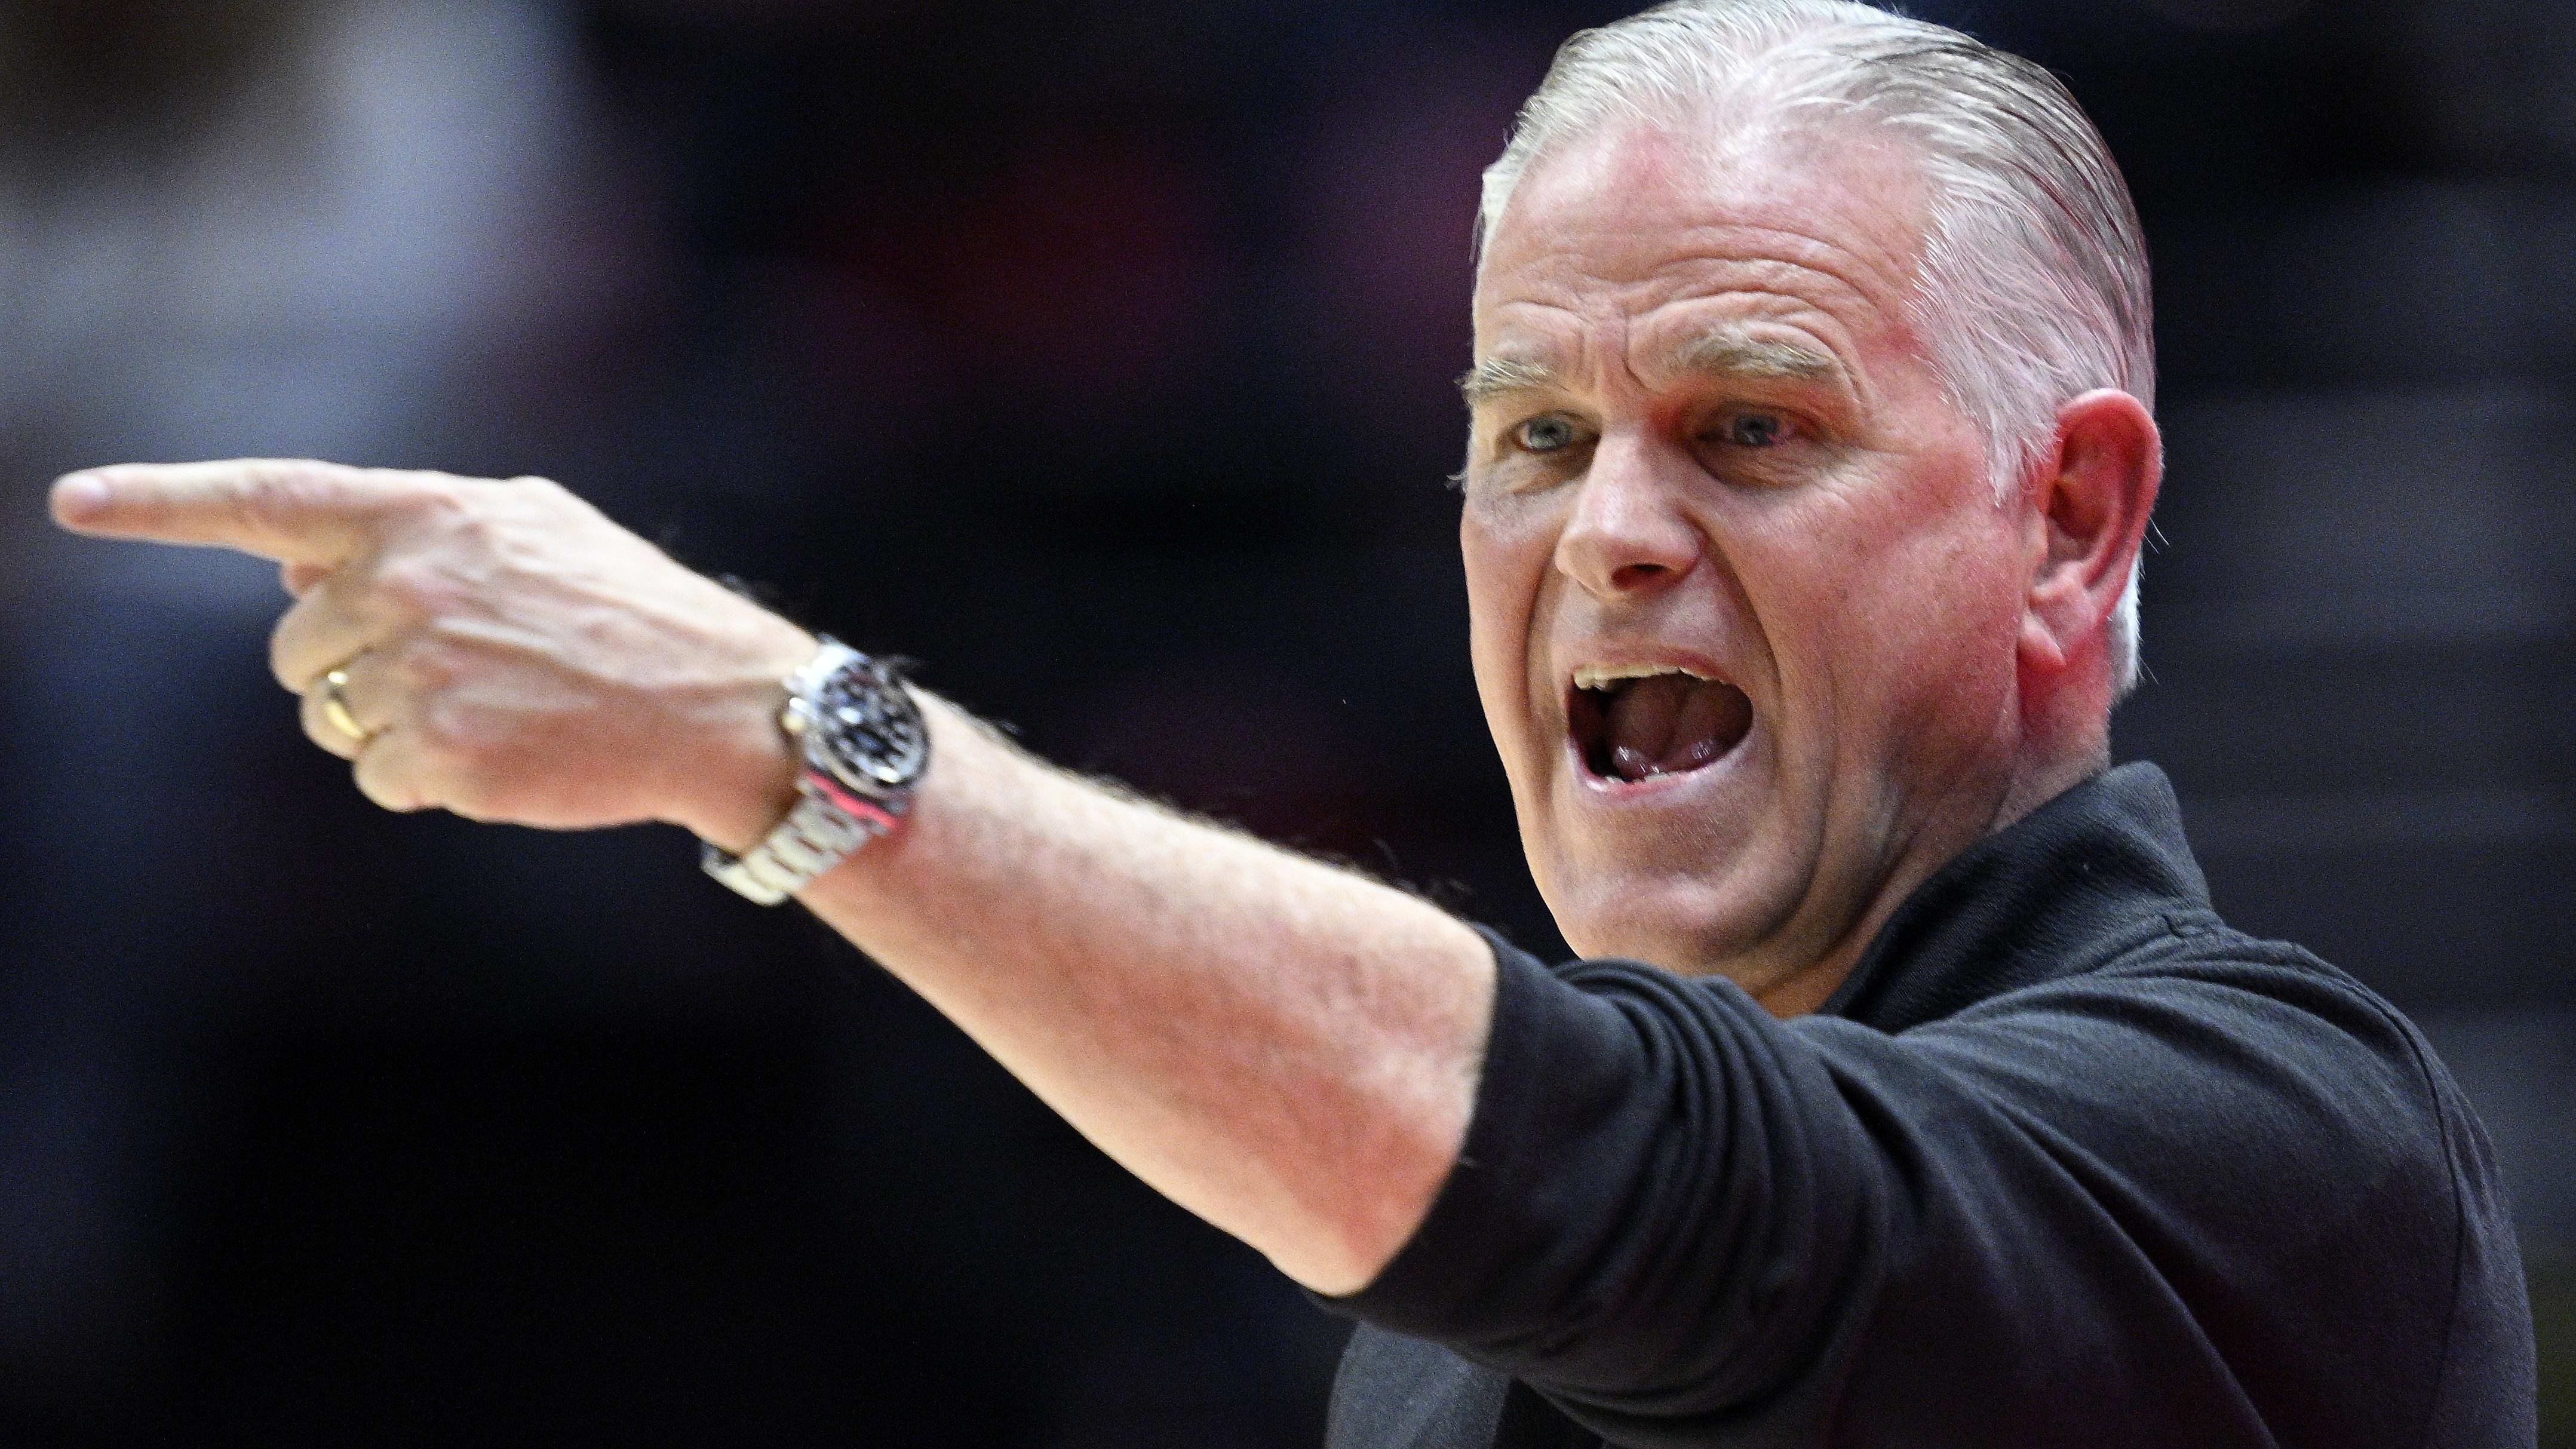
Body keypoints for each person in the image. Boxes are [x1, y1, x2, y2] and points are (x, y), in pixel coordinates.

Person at [45, 1, 2537, 1444]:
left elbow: (1665, 1187)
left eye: (1751, 428)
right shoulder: (1426, 1359)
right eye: (1530, 436)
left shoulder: (2271, 1144)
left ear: (2072, 524)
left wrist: (771, 726)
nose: (1606, 534)